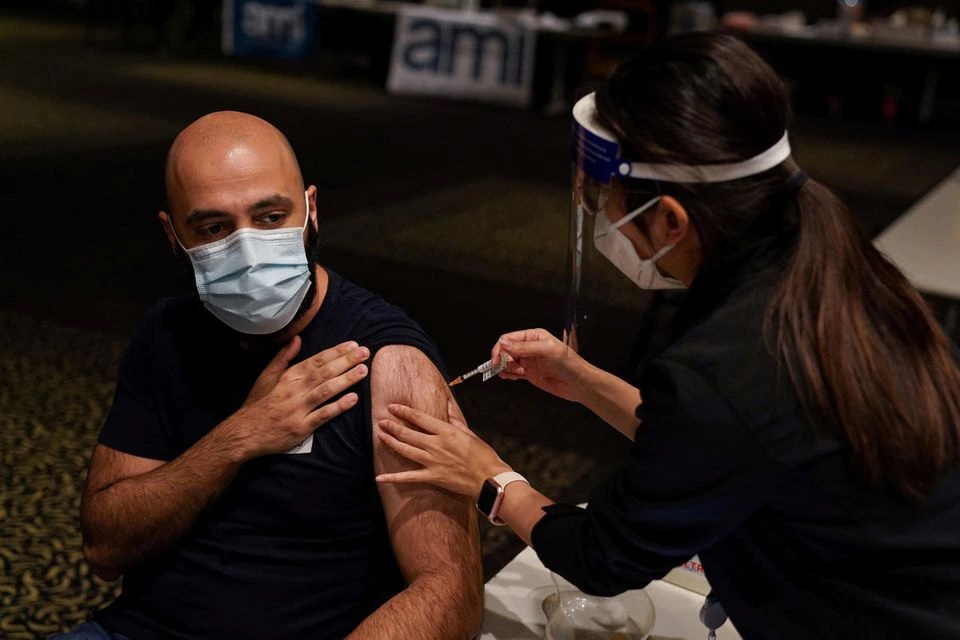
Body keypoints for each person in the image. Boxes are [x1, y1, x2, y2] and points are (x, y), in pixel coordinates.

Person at [373, 32, 960, 639]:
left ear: (673, 220)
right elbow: (737, 439)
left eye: (614, 204)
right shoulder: (820, 249)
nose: (610, 224)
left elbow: (603, 557)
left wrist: (489, 478)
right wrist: (583, 382)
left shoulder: (733, 359)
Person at [63, 112, 482, 640]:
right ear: (173, 234)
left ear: (311, 210)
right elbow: (104, 549)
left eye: (269, 216)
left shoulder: (388, 360)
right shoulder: (167, 334)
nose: (247, 248)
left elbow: (450, 592)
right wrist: (239, 437)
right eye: (214, 227)